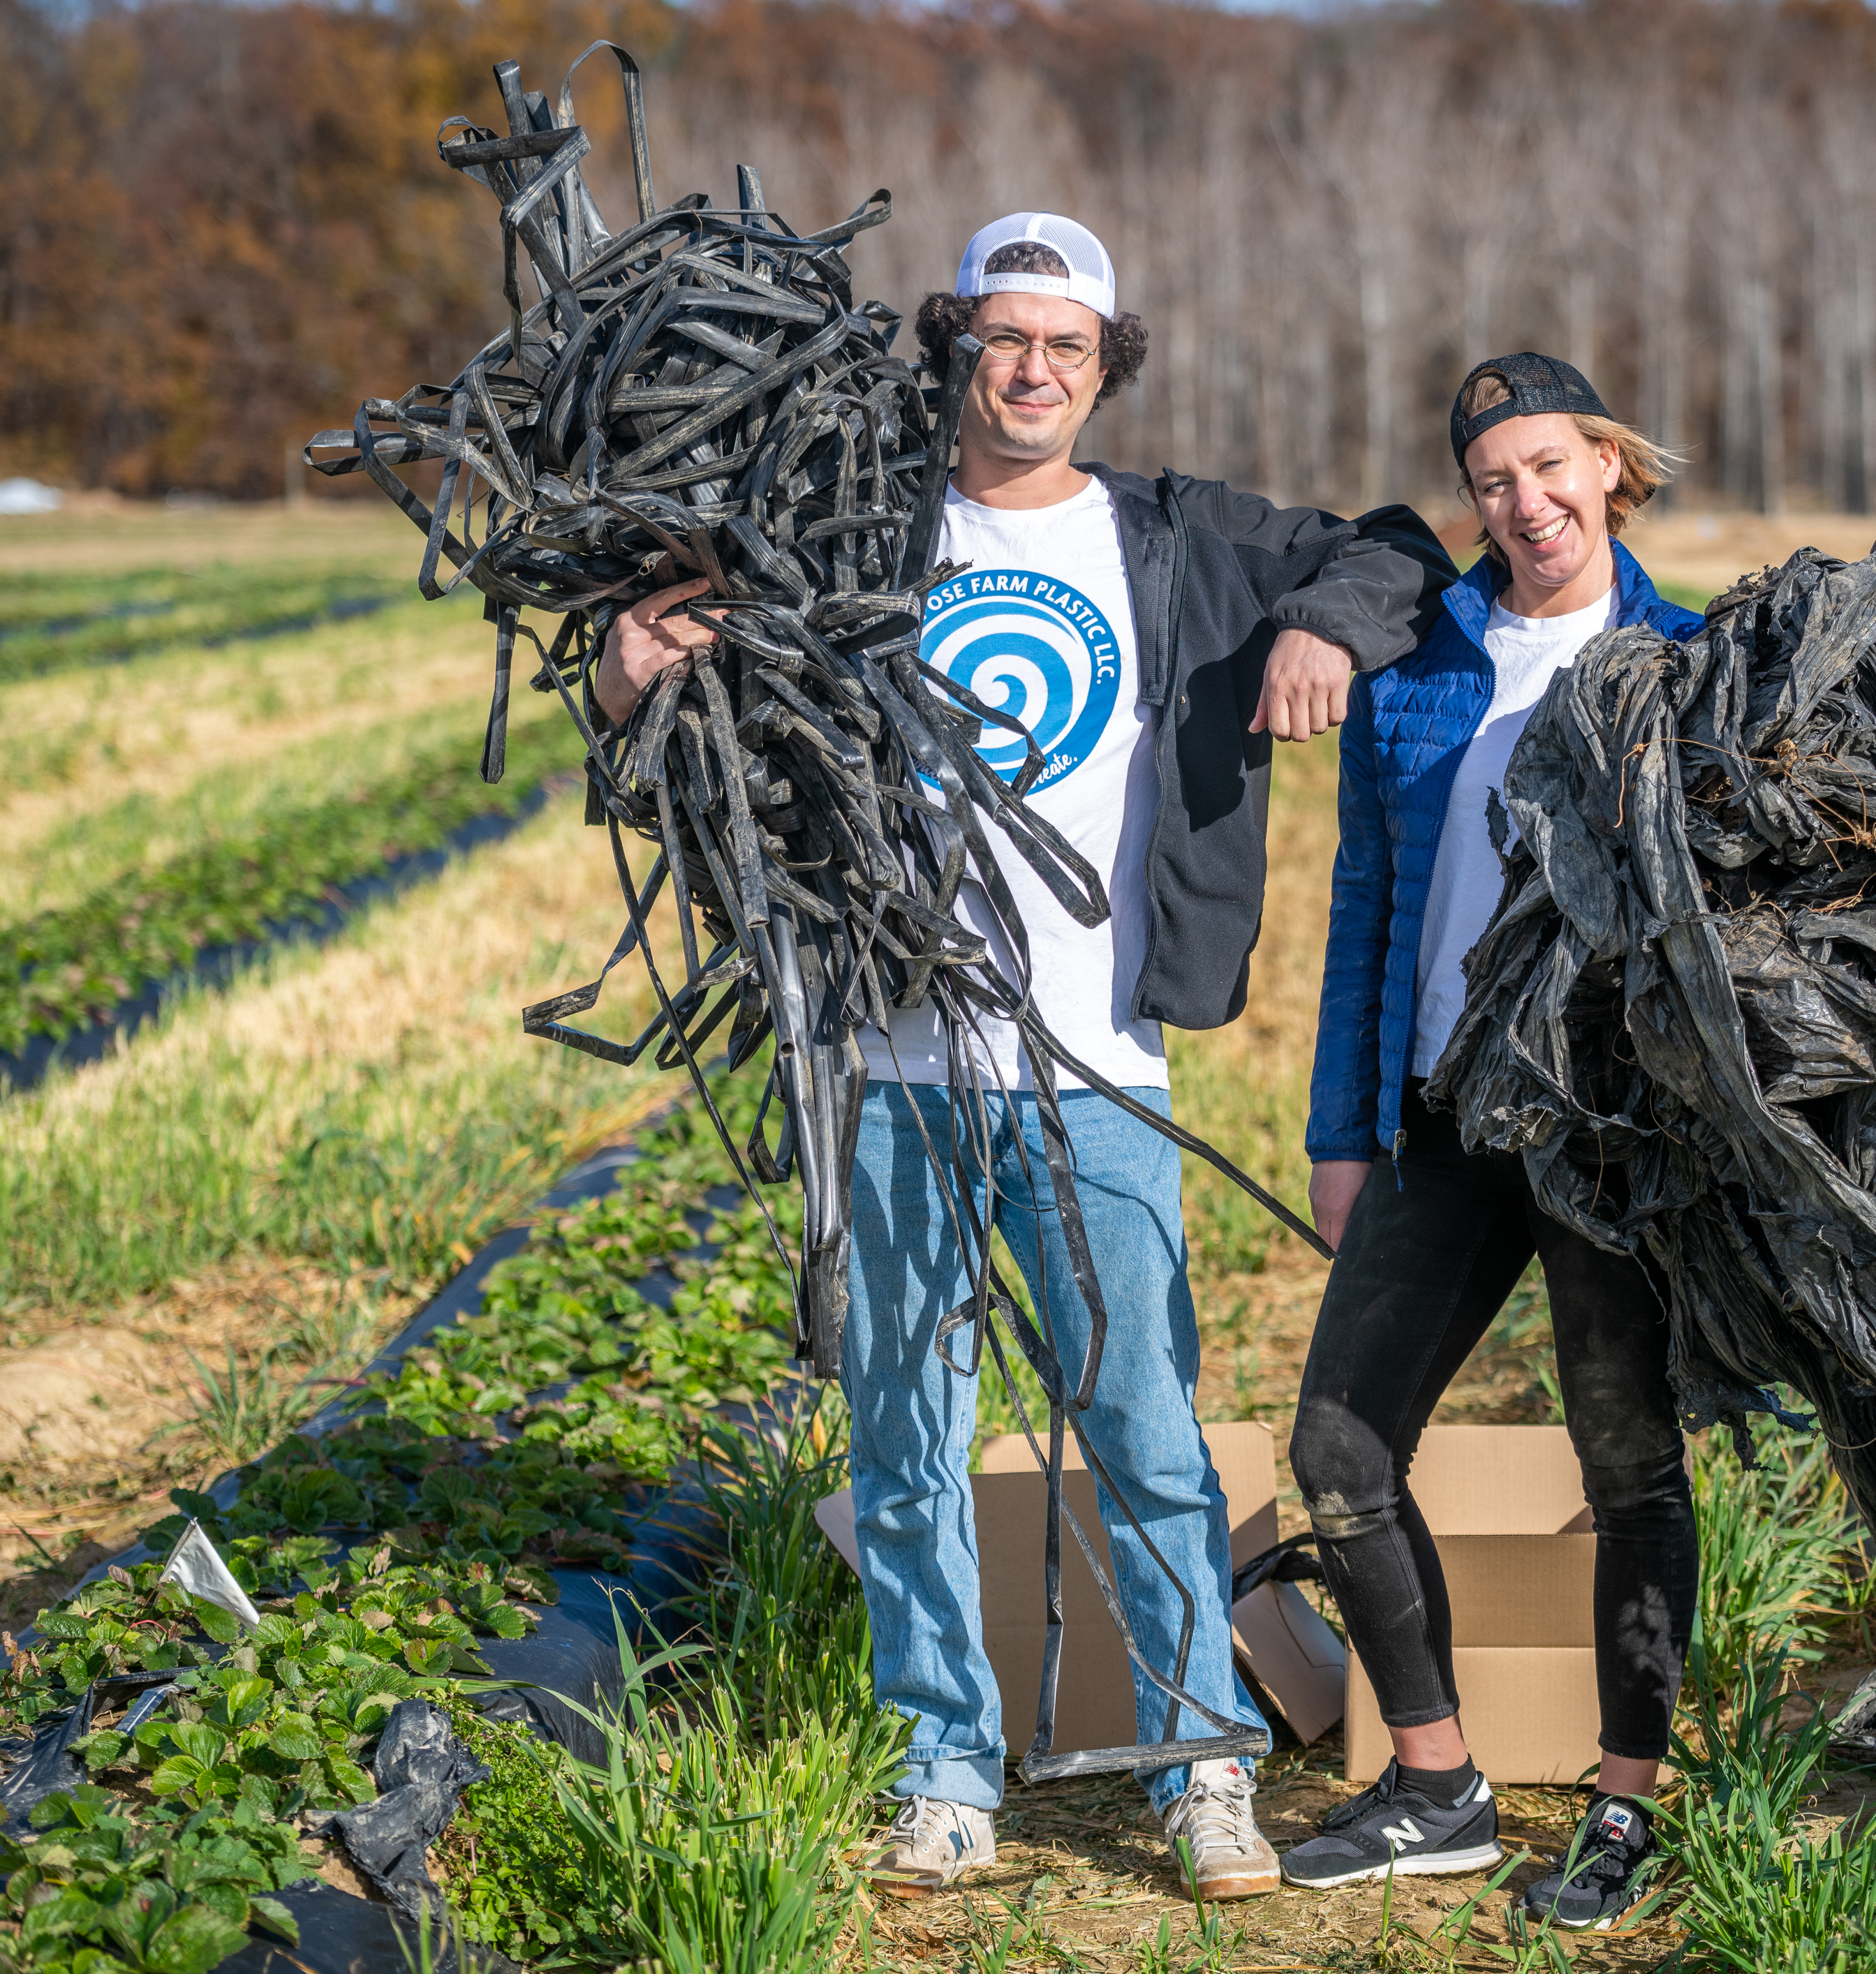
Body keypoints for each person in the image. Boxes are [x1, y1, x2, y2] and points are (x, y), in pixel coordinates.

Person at [591, 213, 1450, 1903]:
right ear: (955, 347)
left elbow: (1402, 549)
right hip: (888, 1060)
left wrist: (1322, 631)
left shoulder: (1178, 538)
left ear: (1105, 362)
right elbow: (667, 694)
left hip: (1097, 1065)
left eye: (1067, 344)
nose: (1033, 370)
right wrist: (627, 681)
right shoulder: (848, 528)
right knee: (902, 1431)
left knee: (1143, 1424)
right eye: (1004, 338)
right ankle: (944, 1771)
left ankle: (1205, 1763)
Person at [1285, 353, 1704, 1931]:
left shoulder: (1691, 660)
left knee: (1630, 1463)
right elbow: (1366, 907)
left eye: (1549, 467)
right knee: (1340, 1448)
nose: (1523, 504)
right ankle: (1438, 1783)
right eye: (1492, 481)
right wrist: (1343, 1126)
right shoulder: (1421, 658)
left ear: (1609, 465)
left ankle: (1623, 1803)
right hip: (1446, 1111)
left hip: (1613, 1132)